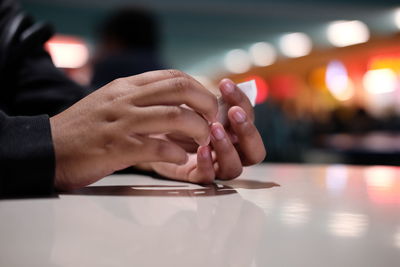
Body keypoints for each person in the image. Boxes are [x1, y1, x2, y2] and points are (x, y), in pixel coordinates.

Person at [0, 0, 266, 198]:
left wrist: (145, 141)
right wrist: (44, 142)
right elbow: (46, 94)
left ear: (112, 40)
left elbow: (42, 95)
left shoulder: (106, 65)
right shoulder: (160, 64)